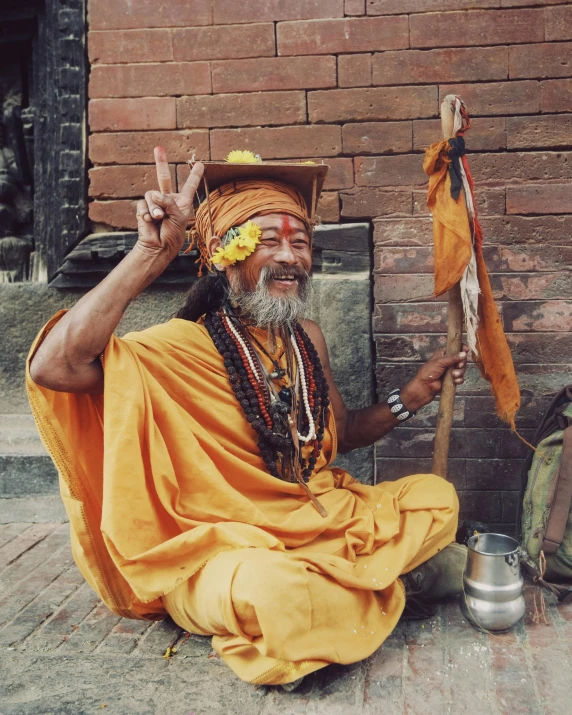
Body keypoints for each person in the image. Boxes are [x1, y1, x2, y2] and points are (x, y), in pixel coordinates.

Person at [27, 148, 468, 688]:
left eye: (299, 243)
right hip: (225, 546)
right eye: (267, 241)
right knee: (276, 592)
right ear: (222, 254)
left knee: (435, 498)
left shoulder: (306, 338)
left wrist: (412, 397)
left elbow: (340, 433)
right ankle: (382, 581)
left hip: (321, 518)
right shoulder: (177, 346)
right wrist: (149, 255)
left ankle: (355, 587)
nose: (290, 257)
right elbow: (56, 365)